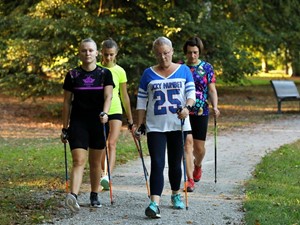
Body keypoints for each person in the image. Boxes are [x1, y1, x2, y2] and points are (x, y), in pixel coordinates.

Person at [134, 36, 196, 218]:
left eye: (166, 53)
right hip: (155, 127)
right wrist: (140, 123)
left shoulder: (184, 70)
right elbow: (141, 100)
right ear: (155, 54)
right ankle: (154, 203)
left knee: (176, 163)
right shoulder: (148, 73)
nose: (163, 57)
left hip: (178, 125)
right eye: (159, 54)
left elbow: (191, 94)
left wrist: (187, 108)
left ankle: (176, 194)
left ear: (172, 52)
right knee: (158, 163)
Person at [60, 38, 115, 212]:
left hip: (98, 122)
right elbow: (67, 102)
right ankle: (73, 196)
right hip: (78, 122)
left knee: (95, 162)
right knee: (78, 160)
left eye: (91, 50)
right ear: (79, 53)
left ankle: (94, 194)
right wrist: (64, 127)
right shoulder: (73, 75)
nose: (88, 53)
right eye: (84, 50)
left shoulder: (105, 74)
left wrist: (105, 113)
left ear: (97, 53)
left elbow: (108, 96)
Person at [182, 36, 220, 192]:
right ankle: (189, 180)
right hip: (184, 111)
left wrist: (215, 106)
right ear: (186, 52)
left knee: (199, 148)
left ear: (199, 52)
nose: (192, 56)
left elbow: (211, 89)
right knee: (187, 145)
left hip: (201, 110)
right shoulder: (180, 67)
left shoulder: (207, 67)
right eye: (190, 52)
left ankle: (198, 165)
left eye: (195, 52)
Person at [98, 38, 134, 190]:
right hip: (99, 111)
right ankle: (102, 173)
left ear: (116, 54)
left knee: (111, 143)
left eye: (111, 54)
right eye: (106, 54)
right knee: (100, 146)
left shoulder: (120, 71)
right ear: (101, 53)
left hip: (116, 110)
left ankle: (108, 176)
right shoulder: (96, 68)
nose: (108, 58)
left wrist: (130, 118)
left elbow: (124, 96)